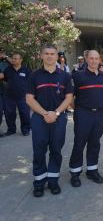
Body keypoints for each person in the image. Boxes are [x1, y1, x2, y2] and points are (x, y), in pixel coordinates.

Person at [26, 44, 73, 197]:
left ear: (57, 56)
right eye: (46, 53)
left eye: (52, 53)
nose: (49, 56)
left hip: (59, 118)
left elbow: (69, 97)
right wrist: (46, 113)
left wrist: (56, 113)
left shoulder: (65, 76)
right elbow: (29, 98)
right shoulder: (34, 75)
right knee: (39, 151)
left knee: (56, 150)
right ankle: (39, 183)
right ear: (41, 56)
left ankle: (53, 181)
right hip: (40, 118)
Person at [69, 50, 103, 187]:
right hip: (83, 114)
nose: (93, 61)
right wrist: (78, 110)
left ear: (99, 60)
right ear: (86, 59)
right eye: (91, 58)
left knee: (95, 143)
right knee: (79, 143)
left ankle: (92, 170)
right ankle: (75, 173)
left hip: (99, 115)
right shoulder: (78, 75)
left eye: (96, 58)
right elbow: (70, 97)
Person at [0, 53, 32, 136]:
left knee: (25, 113)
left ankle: (25, 129)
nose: (13, 60)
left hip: (23, 96)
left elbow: (32, 82)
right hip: (9, 96)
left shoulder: (26, 70)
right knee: (9, 114)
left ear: (21, 60)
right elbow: (4, 78)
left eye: (16, 58)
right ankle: (11, 129)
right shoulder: (8, 69)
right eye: (13, 58)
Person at [0, 51, 11, 137]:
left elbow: (15, 63)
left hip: (5, 91)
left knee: (6, 111)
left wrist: (6, 56)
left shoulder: (5, 62)